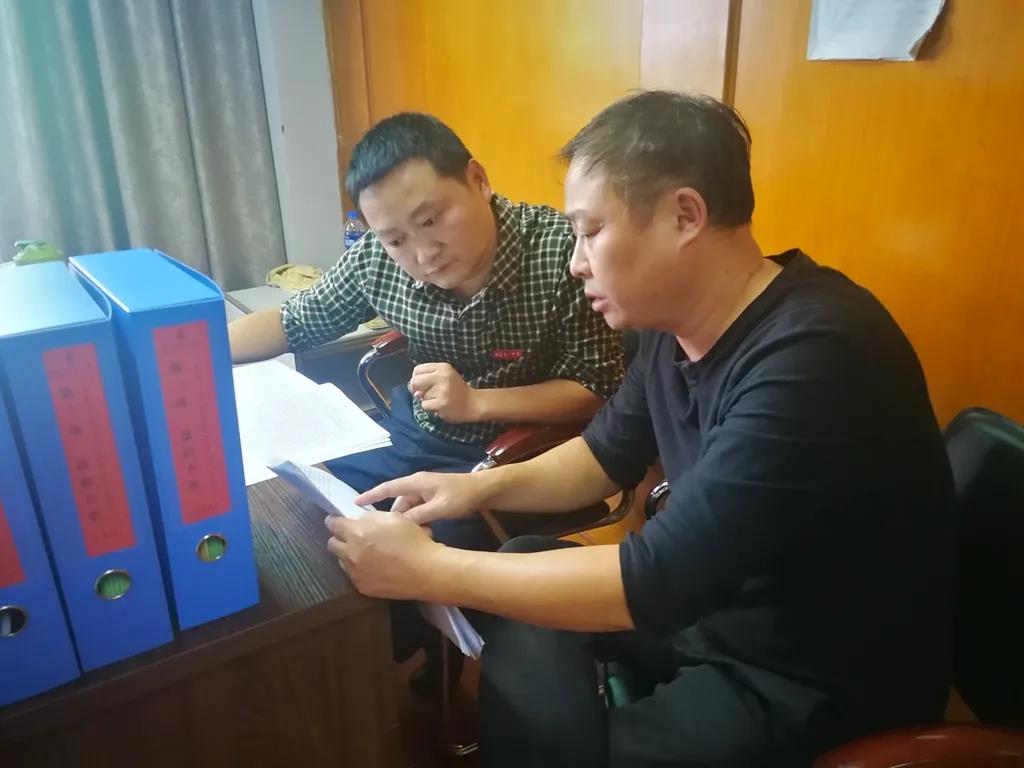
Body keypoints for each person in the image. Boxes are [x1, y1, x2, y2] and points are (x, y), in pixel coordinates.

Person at [324, 91, 956, 767]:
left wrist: (430, 570)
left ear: (685, 216)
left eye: (590, 231)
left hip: (805, 675)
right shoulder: (673, 326)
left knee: (543, 696)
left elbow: (657, 581)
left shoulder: (817, 356)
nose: (577, 261)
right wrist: (473, 489)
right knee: (525, 561)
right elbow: (602, 455)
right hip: (717, 617)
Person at [228, 112, 624, 691]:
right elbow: (294, 321)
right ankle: (355, 675)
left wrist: (480, 402)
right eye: (396, 239)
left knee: (405, 555)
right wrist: (188, 353)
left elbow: (596, 392)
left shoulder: (561, 253)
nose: (423, 252)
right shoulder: (376, 258)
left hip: (520, 460)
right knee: (303, 517)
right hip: (414, 436)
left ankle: (406, 677)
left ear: (478, 180)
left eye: (432, 220)